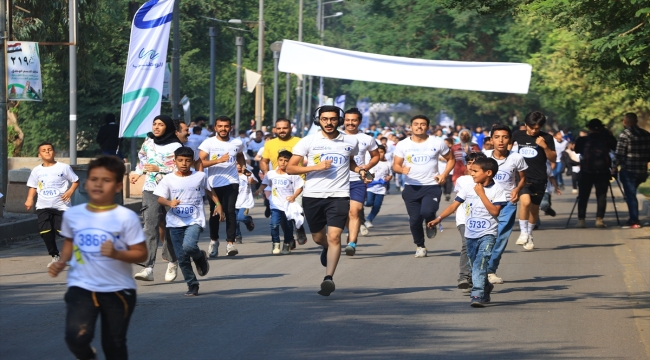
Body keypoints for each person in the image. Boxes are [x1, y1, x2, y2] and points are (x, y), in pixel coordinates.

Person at [48, 156, 147, 360]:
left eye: (106, 180)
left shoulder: (125, 217)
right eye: (94, 179)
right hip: (82, 287)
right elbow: (69, 243)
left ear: (119, 186)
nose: (98, 184)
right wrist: (61, 261)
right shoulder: (73, 215)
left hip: (118, 290)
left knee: (114, 344)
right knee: (76, 337)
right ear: (86, 183)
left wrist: (117, 253)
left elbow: (141, 253)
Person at [286, 106, 362, 296]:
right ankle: (327, 249)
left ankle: (328, 278)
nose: (329, 122)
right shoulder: (308, 141)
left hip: (339, 194)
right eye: (325, 119)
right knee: (319, 238)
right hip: (313, 196)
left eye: (333, 119)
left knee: (335, 236)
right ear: (318, 120)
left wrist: (360, 171)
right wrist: (315, 167)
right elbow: (290, 168)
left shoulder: (351, 141)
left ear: (340, 120)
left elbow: (350, 162)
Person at [428, 157, 506, 307]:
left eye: (475, 171)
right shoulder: (468, 187)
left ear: (488, 172)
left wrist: (481, 193)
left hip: (488, 234)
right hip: (470, 234)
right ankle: (486, 286)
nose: (472, 173)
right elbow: (454, 205)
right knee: (473, 265)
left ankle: (476, 294)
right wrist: (439, 218)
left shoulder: (498, 189)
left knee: (480, 264)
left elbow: (495, 211)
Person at [154, 147, 217, 296]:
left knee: (189, 246)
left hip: (194, 219)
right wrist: (169, 203)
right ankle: (192, 284)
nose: (184, 163)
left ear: (192, 161)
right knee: (181, 257)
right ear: (174, 161)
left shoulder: (200, 176)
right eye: (180, 160)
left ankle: (199, 256)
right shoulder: (168, 179)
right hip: (175, 222)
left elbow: (210, 190)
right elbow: (160, 198)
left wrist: (218, 206)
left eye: (187, 160)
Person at [393, 115, 455, 258]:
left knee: (427, 212)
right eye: (416, 124)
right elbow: (395, 165)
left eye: (422, 124)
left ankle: (430, 221)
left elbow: (451, 159)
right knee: (414, 220)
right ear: (411, 126)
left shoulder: (437, 142)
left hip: (431, 185)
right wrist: (402, 170)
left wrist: (444, 174)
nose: (419, 127)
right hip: (411, 187)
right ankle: (420, 246)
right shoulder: (403, 144)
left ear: (427, 127)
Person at [129, 115, 181, 281]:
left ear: (168, 127)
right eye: (155, 124)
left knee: (170, 227)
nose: (157, 127)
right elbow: (142, 159)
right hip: (151, 189)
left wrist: (159, 168)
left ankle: (172, 262)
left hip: (171, 190)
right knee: (149, 226)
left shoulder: (176, 145)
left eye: (161, 124)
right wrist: (138, 173)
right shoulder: (148, 141)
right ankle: (148, 267)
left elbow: (180, 167)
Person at [483, 125, 528, 284]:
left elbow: (522, 177)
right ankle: (477, 268)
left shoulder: (516, 158)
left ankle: (490, 270)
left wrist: (517, 189)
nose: (500, 140)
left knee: (501, 237)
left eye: (504, 137)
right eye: (497, 137)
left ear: (510, 140)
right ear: (491, 140)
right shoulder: (484, 157)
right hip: (485, 203)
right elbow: (473, 176)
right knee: (484, 236)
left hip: (508, 203)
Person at [25, 142, 80, 267]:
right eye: (44, 150)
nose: (47, 152)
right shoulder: (37, 170)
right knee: (45, 231)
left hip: (62, 206)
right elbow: (33, 186)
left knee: (62, 231)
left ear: (54, 152)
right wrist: (29, 199)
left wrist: (70, 191)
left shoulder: (63, 167)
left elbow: (76, 181)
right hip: (43, 206)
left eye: (49, 149)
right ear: (39, 154)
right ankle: (55, 255)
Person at [199, 115, 246, 257]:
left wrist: (242, 166)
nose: (223, 129)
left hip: (232, 181)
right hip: (214, 182)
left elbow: (240, 155)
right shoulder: (208, 143)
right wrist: (218, 160)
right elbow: (200, 162)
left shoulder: (237, 142)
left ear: (230, 127)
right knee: (215, 213)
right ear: (215, 128)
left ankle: (230, 243)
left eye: (226, 126)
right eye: (220, 126)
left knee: (230, 211)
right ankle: (214, 241)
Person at [511, 111, 556, 251]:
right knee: (525, 202)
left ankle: (529, 234)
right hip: (523, 176)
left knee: (534, 210)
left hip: (539, 177)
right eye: (531, 127)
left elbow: (553, 158)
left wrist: (544, 146)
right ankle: (523, 232)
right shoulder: (517, 135)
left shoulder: (546, 137)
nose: (534, 130)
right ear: (526, 125)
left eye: (537, 128)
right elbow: (507, 150)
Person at [260, 118, 308, 244]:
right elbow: (264, 161)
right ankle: (289, 238)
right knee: (282, 213)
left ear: (290, 128)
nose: (282, 130)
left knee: (296, 209)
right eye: (279, 128)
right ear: (275, 129)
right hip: (279, 184)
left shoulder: (300, 142)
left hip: (297, 181)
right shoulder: (270, 144)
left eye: (285, 128)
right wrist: (266, 173)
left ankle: (299, 228)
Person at [342, 107, 380, 255]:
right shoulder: (336, 137)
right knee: (345, 213)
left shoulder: (367, 138)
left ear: (359, 121)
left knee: (355, 211)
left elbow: (375, 155)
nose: (350, 123)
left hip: (357, 180)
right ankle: (351, 231)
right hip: (338, 181)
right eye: (347, 120)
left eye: (354, 120)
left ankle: (352, 242)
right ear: (343, 121)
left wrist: (367, 166)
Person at [452, 152, 487, 292]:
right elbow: (458, 199)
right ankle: (463, 277)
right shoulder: (462, 180)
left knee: (479, 249)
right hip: (464, 219)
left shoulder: (490, 180)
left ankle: (475, 277)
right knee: (467, 245)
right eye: (469, 162)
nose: (471, 165)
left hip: (484, 220)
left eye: (475, 162)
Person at [257, 150, 304, 255]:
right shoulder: (271, 174)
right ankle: (276, 243)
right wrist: (259, 190)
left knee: (288, 226)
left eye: (286, 161)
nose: (283, 162)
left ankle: (287, 244)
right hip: (275, 204)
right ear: (277, 160)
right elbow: (265, 183)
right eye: (281, 160)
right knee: (274, 224)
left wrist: (293, 196)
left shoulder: (293, 174)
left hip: (288, 205)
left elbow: (300, 187)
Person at [574, 119, 618, 228]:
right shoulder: (606, 139)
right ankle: (599, 220)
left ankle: (581, 220)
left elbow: (576, 150)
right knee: (601, 196)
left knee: (583, 196)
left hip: (586, 172)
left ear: (589, 128)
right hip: (602, 172)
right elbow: (615, 147)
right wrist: (609, 135)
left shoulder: (582, 140)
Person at [615, 112, 650, 229]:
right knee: (632, 193)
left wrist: (614, 166)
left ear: (625, 122)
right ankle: (633, 218)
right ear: (636, 121)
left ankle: (634, 220)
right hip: (642, 170)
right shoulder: (646, 134)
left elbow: (619, 154)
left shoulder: (625, 135)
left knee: (630, 195)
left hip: (629, 170)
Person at [364, 145, 392, 228]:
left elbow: (390, 174)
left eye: (382, 152)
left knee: (377, 206)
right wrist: (370, 179)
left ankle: (369, 219)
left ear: (384, 153)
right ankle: (360, 208)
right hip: (371, 187)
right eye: (378, 152)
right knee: (369, 202)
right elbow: (366, 170)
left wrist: (388, 178)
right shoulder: (371, 162)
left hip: (381, 188)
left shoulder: (388, 163)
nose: (380, 154)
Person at [234, 164, 256, 243]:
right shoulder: (230, 173)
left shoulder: (247, 173)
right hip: (233, 201)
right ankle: (238, 235)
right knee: (234, 220)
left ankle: (248, 220)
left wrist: (252, 180)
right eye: (237, 164)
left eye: (241, 164)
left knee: (240, 217)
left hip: (245, 201)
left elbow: (255, 181)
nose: (239, 166)